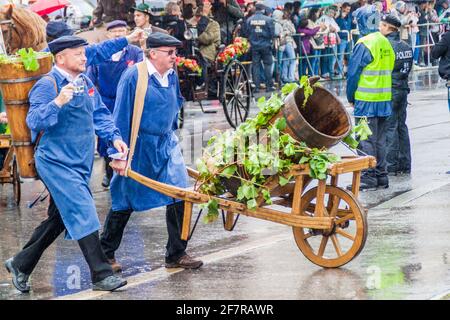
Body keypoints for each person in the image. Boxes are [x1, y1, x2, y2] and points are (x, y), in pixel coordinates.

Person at [4, 36, 129, 293]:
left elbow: (99, 114)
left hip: (79, 162)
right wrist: (58, 102)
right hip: (55, 162)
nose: (84, 58)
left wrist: (114, 137)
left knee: (60, 218)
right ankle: (101, 274)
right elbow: (35, 121)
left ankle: (21, 264)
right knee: (83, 209)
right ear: (60, 58)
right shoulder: (46, 85)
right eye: (78, 54)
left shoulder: (84, 82)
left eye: (84, 53)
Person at [100, 33, 203, 273]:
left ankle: (176, 253)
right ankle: (105, 253)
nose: (174, 57)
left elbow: (175, 105)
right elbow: (121, 116)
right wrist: (118, 156)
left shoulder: (172, 74)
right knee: (124, 199)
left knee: (179, 192)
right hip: (138, 146)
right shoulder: (134, 75)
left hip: (165, 144)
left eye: (175, 53)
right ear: (153, 53)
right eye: (170, 53)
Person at [87, 20, 143, 189]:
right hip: (106, 101)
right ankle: (108, 170)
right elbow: (90, 80)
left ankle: (131, 172)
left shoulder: (135, 52)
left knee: (129, 135)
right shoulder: (100, 54)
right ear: (108, 35)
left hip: (128, 102)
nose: (119, 34)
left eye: (122, 30)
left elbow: (142, 76)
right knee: (106, 138)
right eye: (115, 31)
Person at [346, 15, 395, 191]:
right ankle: (382, 176)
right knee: (381, 139)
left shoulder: (364, 43)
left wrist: (350, 96)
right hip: (383, 99)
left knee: (365, 139)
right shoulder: (385, 43)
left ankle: (368, 176)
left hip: (366, 100)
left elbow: (353, 74)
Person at [383, 14, 413, 176]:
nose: (380, 28)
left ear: (389, 28)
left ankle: (392, 165)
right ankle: (405, 163)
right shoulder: (406, 45)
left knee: (391, 128)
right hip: (403, 89)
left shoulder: (387, 46)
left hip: (391, 90)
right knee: (402, 126)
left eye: (382, 25)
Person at [244, 2, 275, 93]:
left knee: (255, 66)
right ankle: (269, 86)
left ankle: (256, 87)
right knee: (268, 65)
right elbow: (272, 33)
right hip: (266, 45)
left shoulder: (249, 19)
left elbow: (247, 32)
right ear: (263, 9)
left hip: (254, 46)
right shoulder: (268, 19)